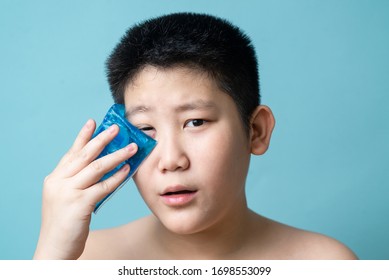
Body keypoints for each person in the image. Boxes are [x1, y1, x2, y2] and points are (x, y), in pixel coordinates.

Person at [33, 12, 357, 260]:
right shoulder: (83, 260)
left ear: (255, 131)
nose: (171, 160)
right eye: (145, 129)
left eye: (196, 122)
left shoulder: (326, 264)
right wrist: (49, 258)